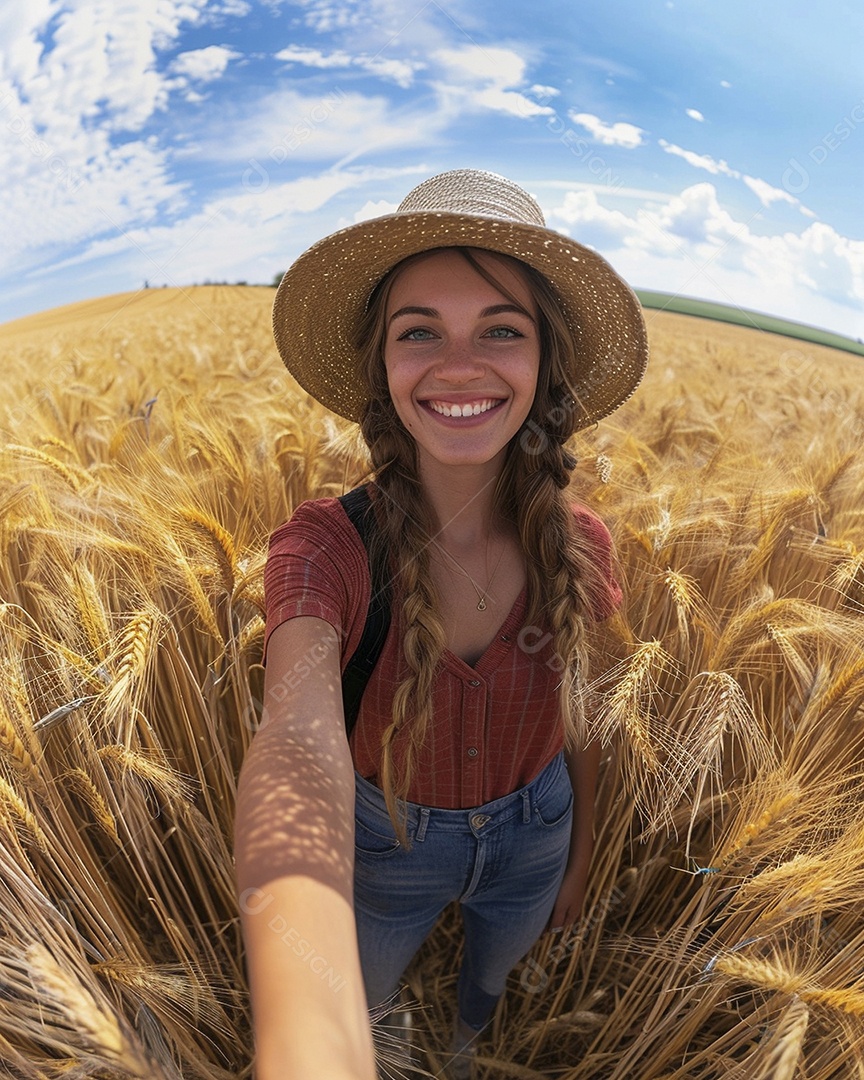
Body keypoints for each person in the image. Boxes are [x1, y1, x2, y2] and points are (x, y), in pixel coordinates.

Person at [233, 168, 648, 1080]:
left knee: (488, 991)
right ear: (384, 366)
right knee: (364, 1001)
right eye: (419, 331)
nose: (459, 364)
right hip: (387, 842)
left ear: (545, 366)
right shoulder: (325, 548)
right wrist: (309, 1044)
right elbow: (296, 746)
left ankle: (462, 1052)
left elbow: (586, 712)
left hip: (538, 829)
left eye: (502, 329)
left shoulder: (584, 546)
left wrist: (578, 858)